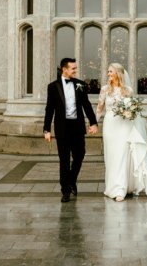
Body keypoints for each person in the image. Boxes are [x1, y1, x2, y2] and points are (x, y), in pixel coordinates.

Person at [96, 63, 147, 201]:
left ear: (118, 73)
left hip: (124, 125)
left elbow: (132, 108)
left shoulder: (127, 90)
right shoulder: (105, 89)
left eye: (111, 71)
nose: (108, 74)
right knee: (111, 156)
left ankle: (121, 189)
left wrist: (130, 112)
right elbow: (100, 108)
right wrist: (94, 123)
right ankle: (112, 187)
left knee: (122, 155)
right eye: (108, 72)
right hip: (110, 125)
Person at [44, 58, 98, 203]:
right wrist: (46, 129)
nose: (75, 70)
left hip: (77, 127)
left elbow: (86, 105)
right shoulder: (53, 87)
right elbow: (49, 109)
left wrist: (93, 123)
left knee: (80, 155)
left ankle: (71, 180)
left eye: (75, 68)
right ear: (64, 69)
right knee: (64, 160)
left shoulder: (80, 84)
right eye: (73, 68)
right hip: (62, 128)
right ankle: (65, 191)